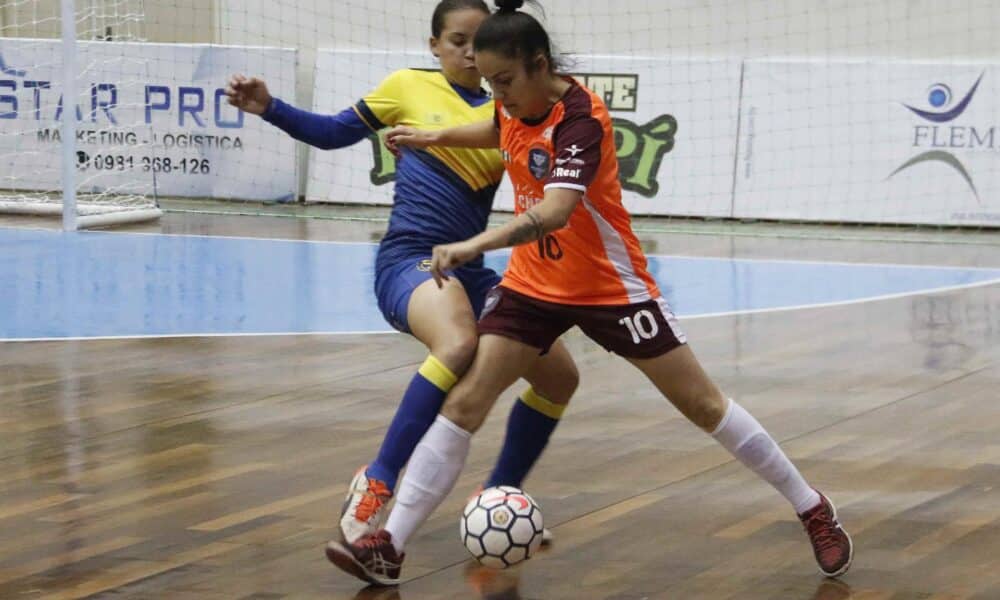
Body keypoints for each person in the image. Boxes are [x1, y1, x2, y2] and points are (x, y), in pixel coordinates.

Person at [326, 0, 854, 586]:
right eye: (490, 83)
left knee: (704, 406)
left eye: (504, 82)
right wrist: (434, 135)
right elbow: (496, 129)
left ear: (539, 65)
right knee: (466, 402)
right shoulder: (513, 104)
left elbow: (554, 212)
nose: (497, 96)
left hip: (609, 288)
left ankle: (812, 508)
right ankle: (391, 546)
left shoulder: (581, 119)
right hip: (532, 285)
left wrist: (475, 245)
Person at [224, 0, 579, 549]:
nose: (467, 51)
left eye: (477, 41)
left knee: (559, 375)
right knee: (458, 341)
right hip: (407, 261)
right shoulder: (405, 86)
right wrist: (271, 107)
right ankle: (378, 480)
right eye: (456, 40)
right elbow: (332, 132)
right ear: (433, 45)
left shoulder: (506, 107)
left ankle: (499, 498)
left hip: (469, 270)